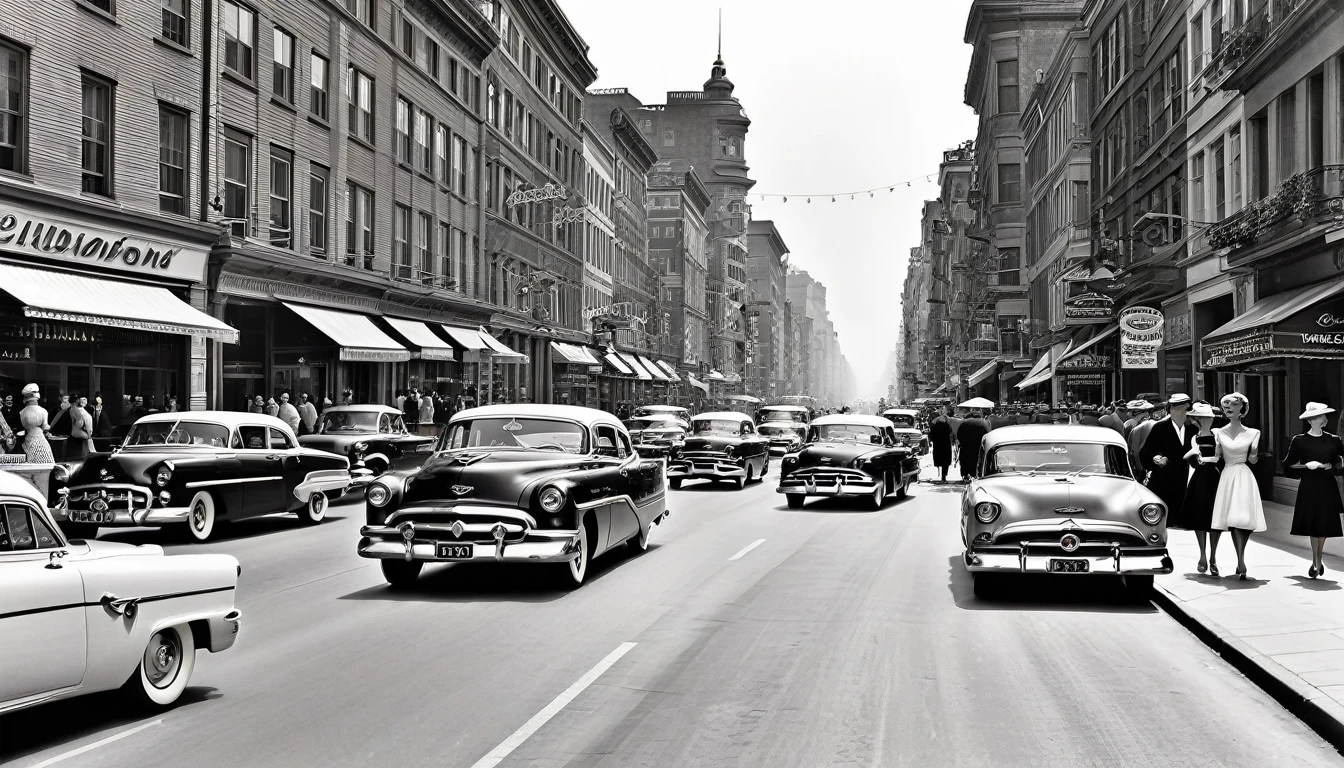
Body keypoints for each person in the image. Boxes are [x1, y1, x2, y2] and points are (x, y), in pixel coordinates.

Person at [1284, 402, 1344, 579]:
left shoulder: (1334, 440)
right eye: (1320, 416)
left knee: (1324, 522)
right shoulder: (1299, 440)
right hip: (1309, 486)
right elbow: (1288, 467)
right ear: (1311, 420)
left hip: (1327, 485)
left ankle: (1317, 560)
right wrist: (1305, 467)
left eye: (1325, 416)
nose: (1324, 419)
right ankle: (1316, 560)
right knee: (1313, 523)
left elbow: (1341, 463)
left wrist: (1330, 467)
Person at [1210, 392, 1264, 580]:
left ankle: (1241, 559)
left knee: (1244, 518)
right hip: (1227, 475)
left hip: (1244, 475)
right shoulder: (1218, 432)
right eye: (1225, 406)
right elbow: (1217, 457)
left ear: (1242, 408)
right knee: (1232, 519)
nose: (1228, 409)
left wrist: (1254, 452)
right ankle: (1240, 560)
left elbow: (1253, 461)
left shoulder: (1253, 432)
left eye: (1232, 405)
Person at [1178, 401, 1223, 576]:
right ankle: (1203, 555)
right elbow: (1195, 456)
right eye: (1202, 418)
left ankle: (1213, 558)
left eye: (1208, 418)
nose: (1205, 421)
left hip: (1215, 476)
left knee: (1215, 517)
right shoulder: (1194, 437)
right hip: (1201, 476)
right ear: (1197, 419)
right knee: (1200, 514)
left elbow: (1220, 455)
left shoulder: (1218, 434)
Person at [1140, 394, 1194, 526]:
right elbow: (1145, 453)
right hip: (1165, 481)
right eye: (1178, 409)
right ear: (1170, 410)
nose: (1183, 413)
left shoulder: (1193, 429)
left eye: (1185, 410)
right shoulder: (1160, 428)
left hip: (1187, 480)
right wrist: (1156, 459)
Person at [18, 383, 54, 463]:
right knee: (45, 462)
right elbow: (45, 427)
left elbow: (23, 427)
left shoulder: (22, 412)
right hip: (40, 441)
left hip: (27, 441)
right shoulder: (43, 411)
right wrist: (49, 430)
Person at [956, 409, 990, 481]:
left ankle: (965, 475)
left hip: (965, 447)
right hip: (978, 447)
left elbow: (959, 435)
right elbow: (987, 435)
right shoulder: (983, 423)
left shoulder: (963, 423)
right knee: (976, 461)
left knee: (965, 461)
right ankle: (975, 475)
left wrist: (962, 443)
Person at [929, 406, 954, 483]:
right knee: (945, 463)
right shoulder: (947, 425)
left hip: (938, 446)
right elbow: (950, 433)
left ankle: (941, 475)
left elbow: (931, 436)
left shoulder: (934, 425)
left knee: (939, 460)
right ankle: (943, 476)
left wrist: (933, 441)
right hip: (946, 445)